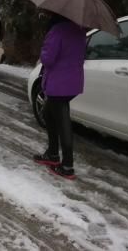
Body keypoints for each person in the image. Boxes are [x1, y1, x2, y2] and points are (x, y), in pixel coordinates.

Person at [33, 12, 86, 180]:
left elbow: (48, 59)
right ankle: (53, 154)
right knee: (48, 113)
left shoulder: (57, 31)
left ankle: (67, 165)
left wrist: (43, 51)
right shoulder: (79, 31)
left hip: (58, 83)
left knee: (62, 121)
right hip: (73, 82)